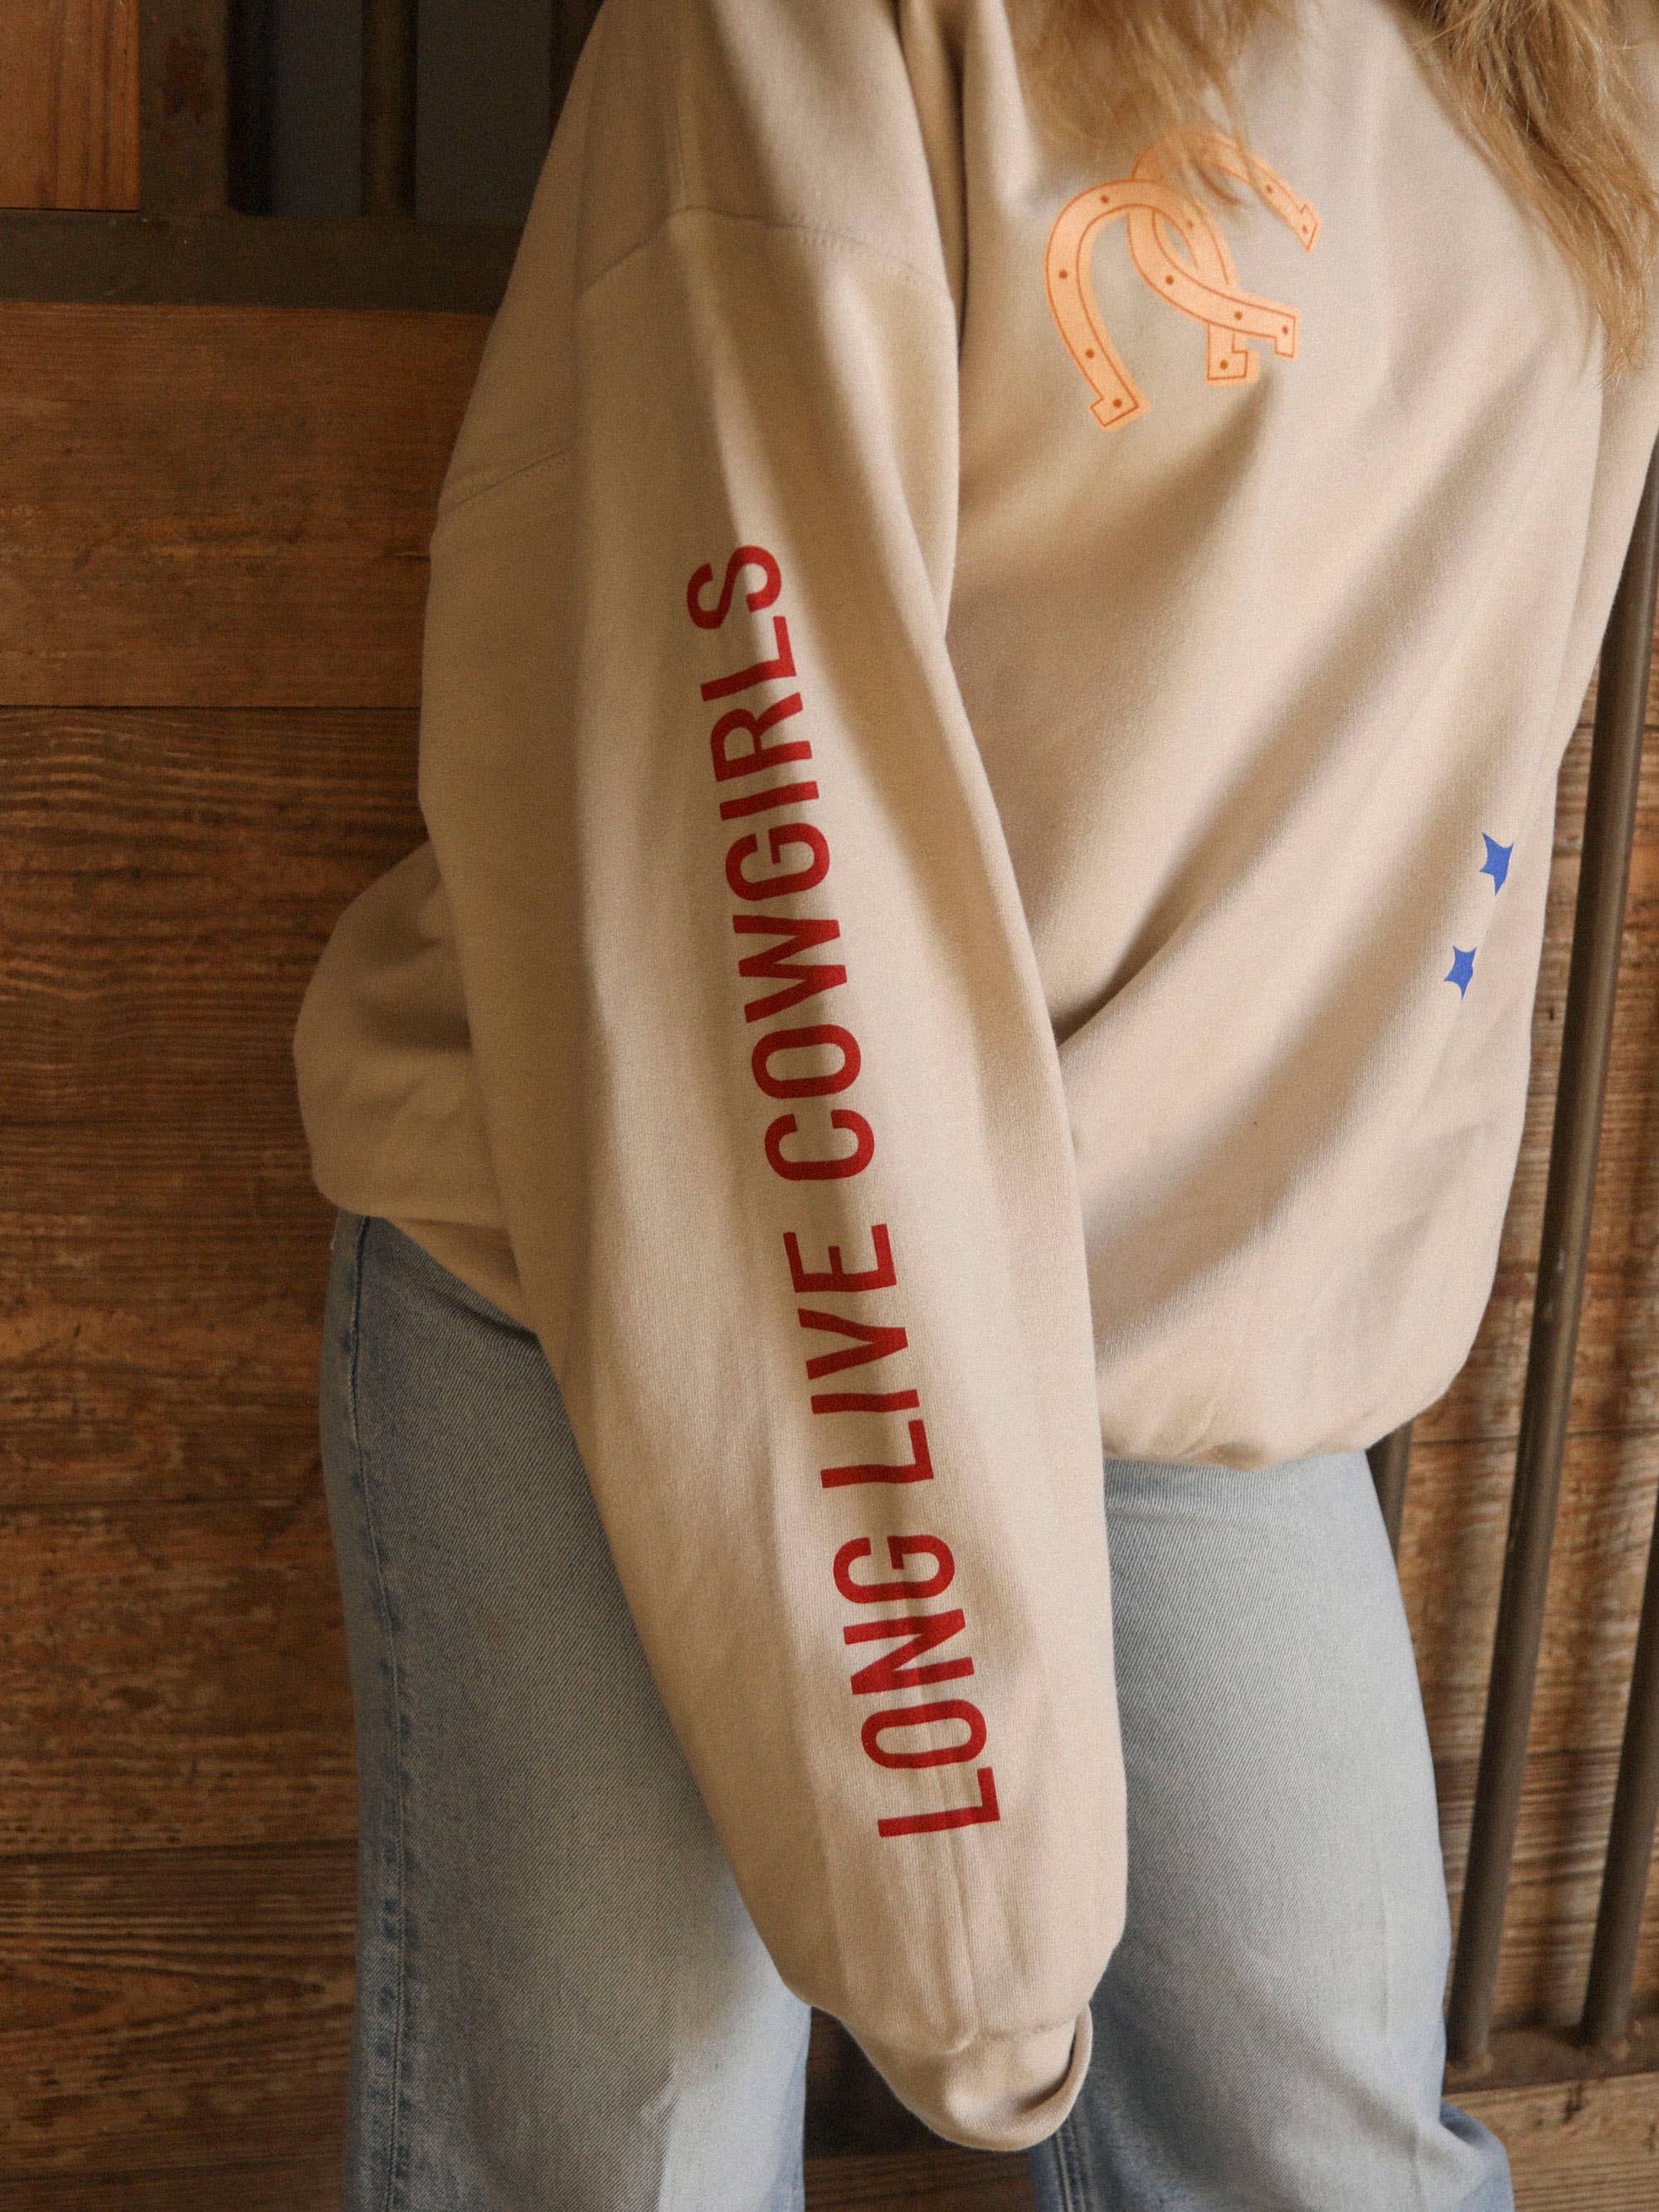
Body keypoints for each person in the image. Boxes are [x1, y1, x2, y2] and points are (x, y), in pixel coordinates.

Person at [292, 0, 1659, 2203]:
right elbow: (758, 773)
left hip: (1189, 1317)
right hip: (670, 1262)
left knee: (1326, 2163)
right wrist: (961, 1905)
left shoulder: (1570, 56)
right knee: (627, 2169)